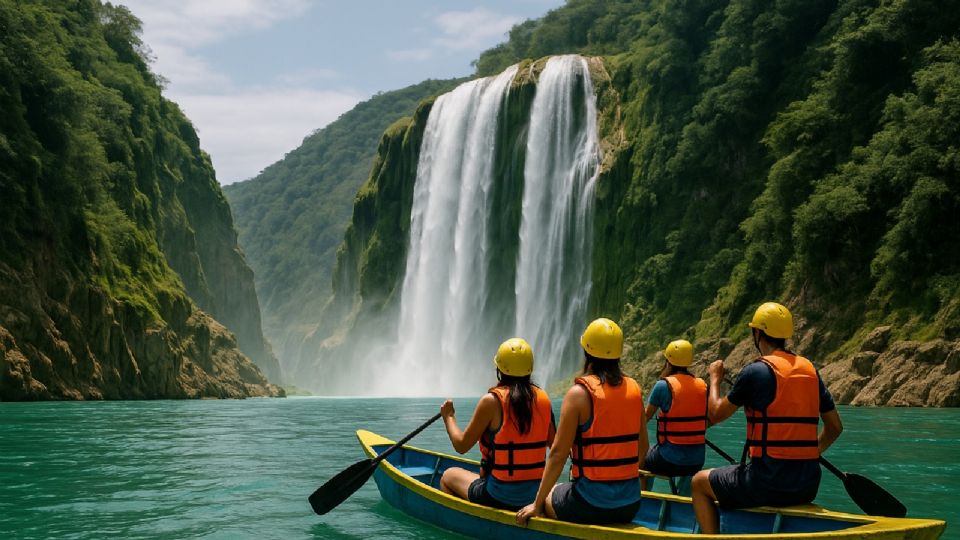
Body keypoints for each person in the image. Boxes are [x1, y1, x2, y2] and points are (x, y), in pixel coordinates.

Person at [690, 302, 844, 534]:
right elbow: (834, 427)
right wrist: (810, 453)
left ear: (757, 333)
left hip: (766, 484)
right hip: (807, 485)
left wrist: (715, 379)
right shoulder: (810, 370)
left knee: (699, 483)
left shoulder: (755, 371)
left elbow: (715, 413)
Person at [516, 318, 647, 526]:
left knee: (551, 493)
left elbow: (558, 454)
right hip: (630, 505)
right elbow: (643, 449)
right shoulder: (635, 389)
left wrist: (536, 504)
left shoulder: (579, 394)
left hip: (590, 504)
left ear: (587, 352)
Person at [439, 337, 555, 511]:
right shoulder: (543, 399)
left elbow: (461, 445)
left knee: (447, 476)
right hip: (536, 495)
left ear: (499, 369)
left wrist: (449, 417)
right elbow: (556, 447)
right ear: (530, 369)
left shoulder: (491, 402)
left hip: (498, 495)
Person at [643, 339, 707, 483]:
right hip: (697, 461)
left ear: (668, 361)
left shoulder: (662, 386)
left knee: (642, 458)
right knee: (688, 467)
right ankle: (685, 498)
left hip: (668, 460)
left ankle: (644, 497)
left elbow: (644, 420)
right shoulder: (702, 386)